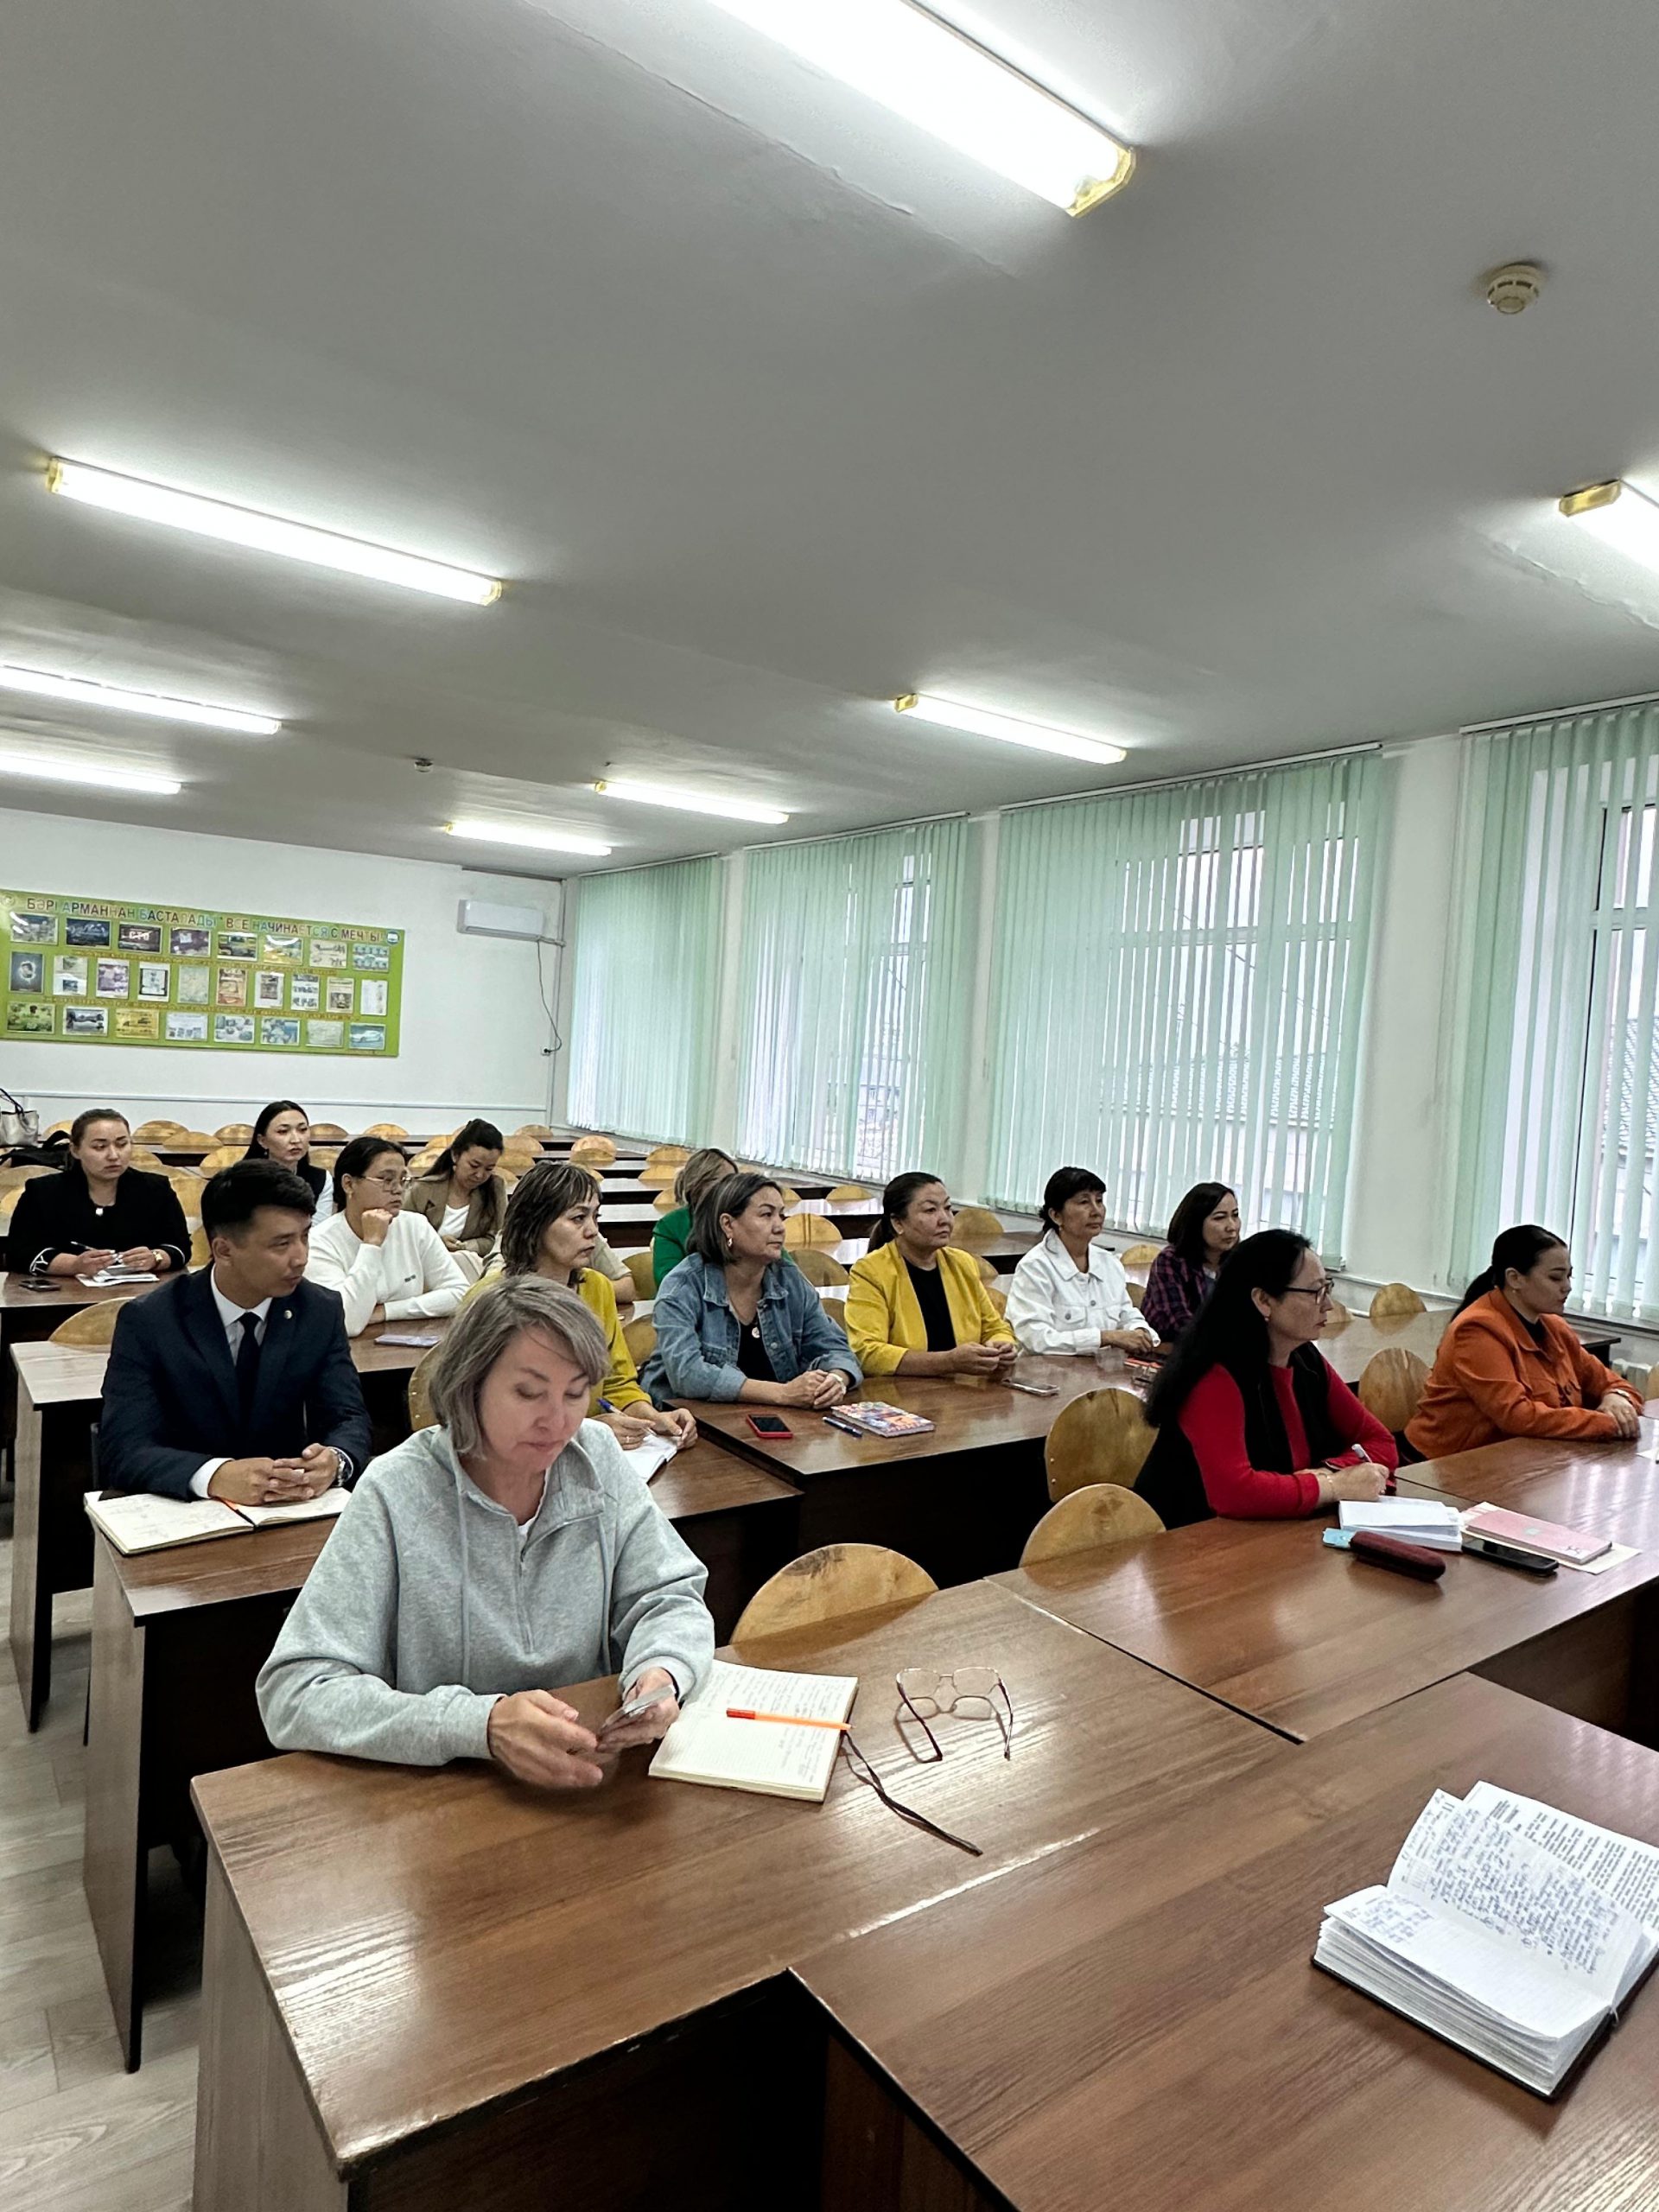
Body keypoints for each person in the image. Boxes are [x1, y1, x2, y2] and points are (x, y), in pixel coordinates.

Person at [256, 1276, 713, 1783]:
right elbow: (296, 1692)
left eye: (575, 1393)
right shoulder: (396, 1489)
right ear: (469, 1385)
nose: (557, 1421)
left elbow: (669, 1597)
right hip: (445, 1789)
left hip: (589, 1769)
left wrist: (662, 1671)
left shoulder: (596, 1456)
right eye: (528, 1393)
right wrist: (481, 1724)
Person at [99, 1160, 370, 1503]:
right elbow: (124, 1448)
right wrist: (214, 1475)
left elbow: (348, 1417)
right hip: (184, 1507)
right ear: (224, 1250)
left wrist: (335, 1460)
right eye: (281, 1244)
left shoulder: (319, 1309)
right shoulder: (150, 1321)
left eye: (305, 1237)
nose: (301, 1258)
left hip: (287, 1503)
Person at [1134, 1229, 1394, 1529]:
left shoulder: (1305, 1359)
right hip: (1192, 1538)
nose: (1328, 1305)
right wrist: (1334, 1486)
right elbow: (1234, 1492)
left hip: (1274, 1529)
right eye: (1315, 1293)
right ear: (1264, 1301)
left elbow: (1381, 1442)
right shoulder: (1215, 1373)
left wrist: (1326, 1474)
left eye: (1327, 1288)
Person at [484, 1159, 696, 1452]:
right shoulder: (492, 1300)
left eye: (596, 1217)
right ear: (536, 1224)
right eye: (578, 1218)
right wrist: (589, 1429)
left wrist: (652, 1417)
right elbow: (492, 1412)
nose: (593, 1230)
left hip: (593, 1451)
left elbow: (618, 1383)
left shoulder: (597, 1288)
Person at [1406, 1225, 1642, 1459]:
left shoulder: (1555, 1327)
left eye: (1569, 1276)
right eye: (1555, 1277)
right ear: (1515, 1278)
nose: (1567, 1287)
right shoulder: (1477, 1330)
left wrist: (1617, 1397)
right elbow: (1516, 1415)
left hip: (1524, 1457)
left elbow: (1612, 1383)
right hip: (1448, 1463)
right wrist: (1608, 1423)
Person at [642, 1172, 861, 1408]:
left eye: (781, 1215)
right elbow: (688, 1375)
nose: (780, 1227)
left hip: (774, 1418)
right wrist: (782, 1393)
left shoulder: (788, 1278)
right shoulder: (683, 1286)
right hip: (687, 1421)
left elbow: (835, 1347)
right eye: (766, 1215)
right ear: (728, 1225)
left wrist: (837, 1379)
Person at [845, 1173, 1019, 1378]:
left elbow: (994, 1327)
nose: (944, 1219)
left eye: (947, 1208)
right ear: (898, 1223)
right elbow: (868, 1353)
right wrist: (948, 1362)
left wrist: (1002, 1345)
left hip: (962, 1388)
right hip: (901, 1390)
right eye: (930, 1210)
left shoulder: (962, 1264)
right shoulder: (871, 1272)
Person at [306, 1136, 467, 1335]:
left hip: (406, 1344)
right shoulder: (319, 1241)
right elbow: (347, 1322)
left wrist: (387, 1311)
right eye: (386, 1180)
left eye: (402, 1180)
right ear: (349, 1184)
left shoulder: (415, 1225)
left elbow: (460, 1293)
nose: (398, 1190)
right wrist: (371, 1244)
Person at [3, 1106, 189, 1279]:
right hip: (64, 1294)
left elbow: (180, 1247)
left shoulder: (156, 1189)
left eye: (122, 1144)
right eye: (100, 1147)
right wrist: (74, 1265)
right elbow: (18, 1254)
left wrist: (156, 1258)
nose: (113, 1155)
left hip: (140, 1293)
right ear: (75, 1150)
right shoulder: (43, 1192)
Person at [1007, 1166, 1160, 1357]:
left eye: (1099, 1201)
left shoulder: (1109, 1263)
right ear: (1056, 1215)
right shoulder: (1035, 1267)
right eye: (1084, 1202)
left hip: (1101, 1369)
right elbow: (1036, 1339)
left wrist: (1139, 1330)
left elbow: (1125, 1313)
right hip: (1048, 1370)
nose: (1096, 1211)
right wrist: (1104, 1338)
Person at [1141, 1183, 1242, 1343]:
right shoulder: (1171, 1261)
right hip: (1172, 1352)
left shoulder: (1240, 1260)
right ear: (1195, 1222)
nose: (1232, 1226)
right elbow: (1179, 1324)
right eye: (1220, 1218)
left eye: (1235, 1215)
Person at [406, 1119, 507, 1257]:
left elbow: (500, 1238)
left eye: (489, 1169)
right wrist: (437, 1243)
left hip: (474, 1265)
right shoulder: (423, 1189)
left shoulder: (495, 1188)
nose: (480, 1175)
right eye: (474, 1165)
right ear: (455, 1155)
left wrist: (465, 1247)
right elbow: (404, 1235)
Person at [652, 1147, 736, 1284]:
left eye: (735, 1183)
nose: (734, 1191)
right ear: (697, 1187)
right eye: (726, 1183)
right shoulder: (671, 1226)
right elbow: (670, 1283)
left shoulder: (744, 1220)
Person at [245, 1100, 333, 1222]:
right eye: (283, 1132)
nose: (296, 1140)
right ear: (262, 1141)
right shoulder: (242, 1180)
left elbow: (319, 1229)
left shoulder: (321, 1179)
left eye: (302, 1130)